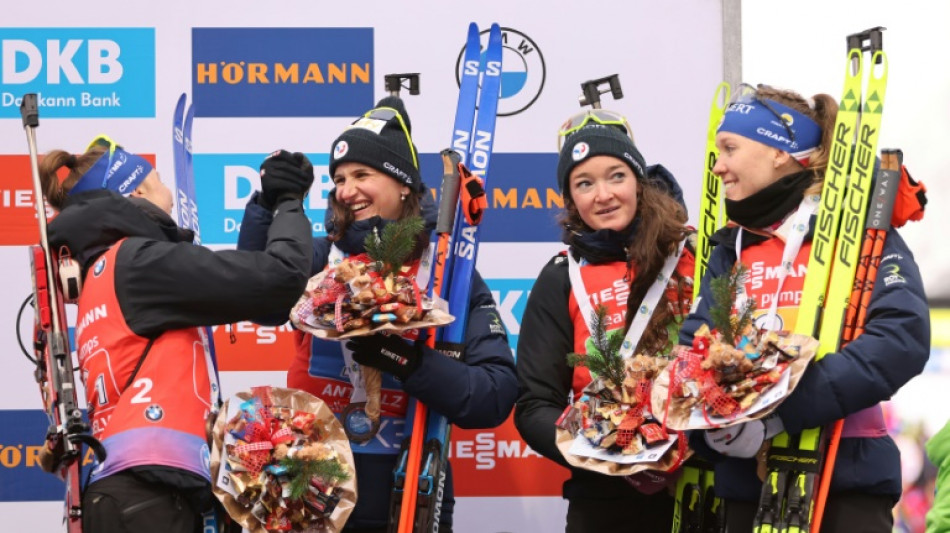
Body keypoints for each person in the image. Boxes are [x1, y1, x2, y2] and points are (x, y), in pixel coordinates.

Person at [236, 96, 517, 532]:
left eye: (362, 175)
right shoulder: (321, 259)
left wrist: (405, 360)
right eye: (339, 178)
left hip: (409, 487)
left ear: (403, 184)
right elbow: (255, 294)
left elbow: (493, 395)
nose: (347, 191)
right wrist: (269, 204)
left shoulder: (444, 272)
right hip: (310, 488)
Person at [680, 84, 930, 531]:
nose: (718, 166)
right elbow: (694, 347)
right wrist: (713, 430)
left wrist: (782, 413)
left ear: (780, 152)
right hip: (747, 484)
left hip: (844, 476)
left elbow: (901, 338)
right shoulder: (731, 246)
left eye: (730, 148)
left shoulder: (859, 232)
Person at [41, 136, 315, 533]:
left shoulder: (108, 267)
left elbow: (263, 301)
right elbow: (281, 278)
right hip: (147, 497)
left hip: (133, 490)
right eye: (159, 179)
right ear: (137, 191)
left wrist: (264, 209)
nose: (168, 191)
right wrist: (290, 199)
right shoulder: (139, 262)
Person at [514, 115, 695, 533]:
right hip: (605, 498)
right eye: (584, 183)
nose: (604, 195)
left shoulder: (692, 255)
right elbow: (535, 404)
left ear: (639, 182)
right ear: (570, 199)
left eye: (616, 176)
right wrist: (602, 454)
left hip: (700, 483)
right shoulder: (562, 275)